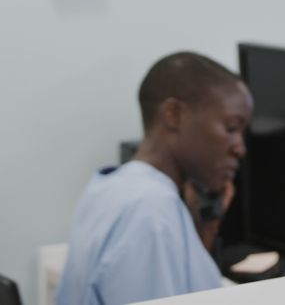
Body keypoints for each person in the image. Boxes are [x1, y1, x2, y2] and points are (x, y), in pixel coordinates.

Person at [56, 52, 252, 305]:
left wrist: (202, 230)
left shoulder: (112, 186)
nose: (240, 148)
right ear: (173, 114)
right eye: (231, 129)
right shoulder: (151, 211)